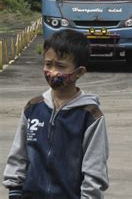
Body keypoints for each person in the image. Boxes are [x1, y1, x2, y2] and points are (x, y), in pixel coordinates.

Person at [3, 29, 109, 198]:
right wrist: (14, 191)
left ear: (79, 72)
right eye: (48, 64)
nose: (52, 72)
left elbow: (94, 168)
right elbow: (18, 155)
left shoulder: (90, 116)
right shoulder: (33, 108)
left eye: (60, 66)